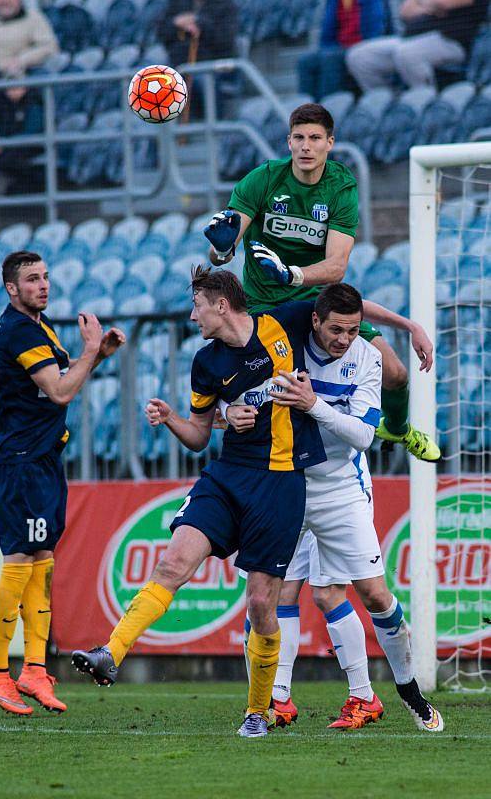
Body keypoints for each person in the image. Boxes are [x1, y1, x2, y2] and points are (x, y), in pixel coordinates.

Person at [71, 266, 327, 738]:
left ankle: (258, 710)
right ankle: (111, 652)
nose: (192, 317)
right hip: (228, 476)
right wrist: (172, 418)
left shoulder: (284, 322)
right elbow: (197, 436)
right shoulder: (206, 362)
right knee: (171, 564)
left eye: (197, 306)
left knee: (260, 604)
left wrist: (404, 330)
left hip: (280, 483)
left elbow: (345, 308)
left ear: (221, 305)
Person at [225, 283, 444, 732]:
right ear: (315, 321)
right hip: (285, 482)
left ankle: (406, 689)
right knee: (273, 594)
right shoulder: (286, 346)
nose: (344, 339)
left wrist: (313, 404)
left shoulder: (367, 357)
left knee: (371, 594)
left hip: (341, 485)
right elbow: (236, 390)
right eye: (336, 330)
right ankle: (278, 699)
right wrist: (230, 410)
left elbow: (363, 436)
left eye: (352, 330)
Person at [204, 102, 440, 463]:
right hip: (264, 309)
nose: (305, 146)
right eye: (298, 137)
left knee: (395, 372)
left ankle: (397, 428)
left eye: (315, 138)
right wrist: (220, 251)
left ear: (330, 143)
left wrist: (292, 275)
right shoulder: (263, 180)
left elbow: (337, 267)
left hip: (317, 304)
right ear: (288, 142)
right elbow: (223, 248)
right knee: (251, 394)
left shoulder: (340, 187)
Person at [0, 250, 125, 716]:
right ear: (11, 288)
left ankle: (35, 670)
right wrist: (88, 351)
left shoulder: (39, 327)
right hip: (19, 464)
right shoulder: (19, 329)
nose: (42, 285)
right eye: (31, 279)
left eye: (45, 277)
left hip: (42, 461)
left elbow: (60, 383)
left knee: (41, 562)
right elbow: (60, 390)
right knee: (20, 560)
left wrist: (95, 357)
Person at [345, 0, 489, 91]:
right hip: (411, 37)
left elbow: (444, 2)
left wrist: (421, 3)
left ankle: (423, 104)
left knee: (408, 53)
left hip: (453, 41)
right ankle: (387, 106)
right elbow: (405, 11)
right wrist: (430, 4)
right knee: (360, 55)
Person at [297, 0, 386, 100]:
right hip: (337, 46)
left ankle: (328, 108)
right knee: (305, 61)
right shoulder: (334, 1)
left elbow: (374, 29)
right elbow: (327, 32)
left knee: (329, 58)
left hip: (361, 46)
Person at [0, 0, 59, 76]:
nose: (5, 1)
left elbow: (49, 46)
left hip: (18, 78)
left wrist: (21, 60)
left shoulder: (33, 18)